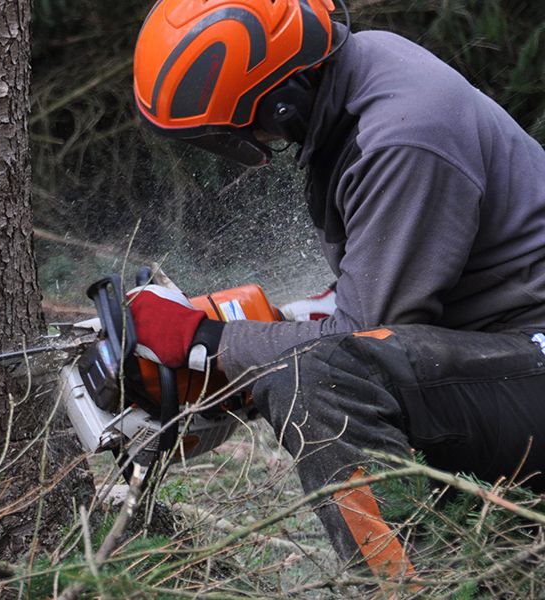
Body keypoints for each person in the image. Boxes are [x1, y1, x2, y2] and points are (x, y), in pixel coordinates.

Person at [126, 0, 545, 583]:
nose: (248, 138)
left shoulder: (402, 137)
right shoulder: (362, 73)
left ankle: (414, 590)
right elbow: (375, 293)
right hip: (505, 348)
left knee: (316, 382)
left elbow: (361, 341)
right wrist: (259, 326)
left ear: (283, 100)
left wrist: (209, 342)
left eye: (242, 125)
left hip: (530, 352)